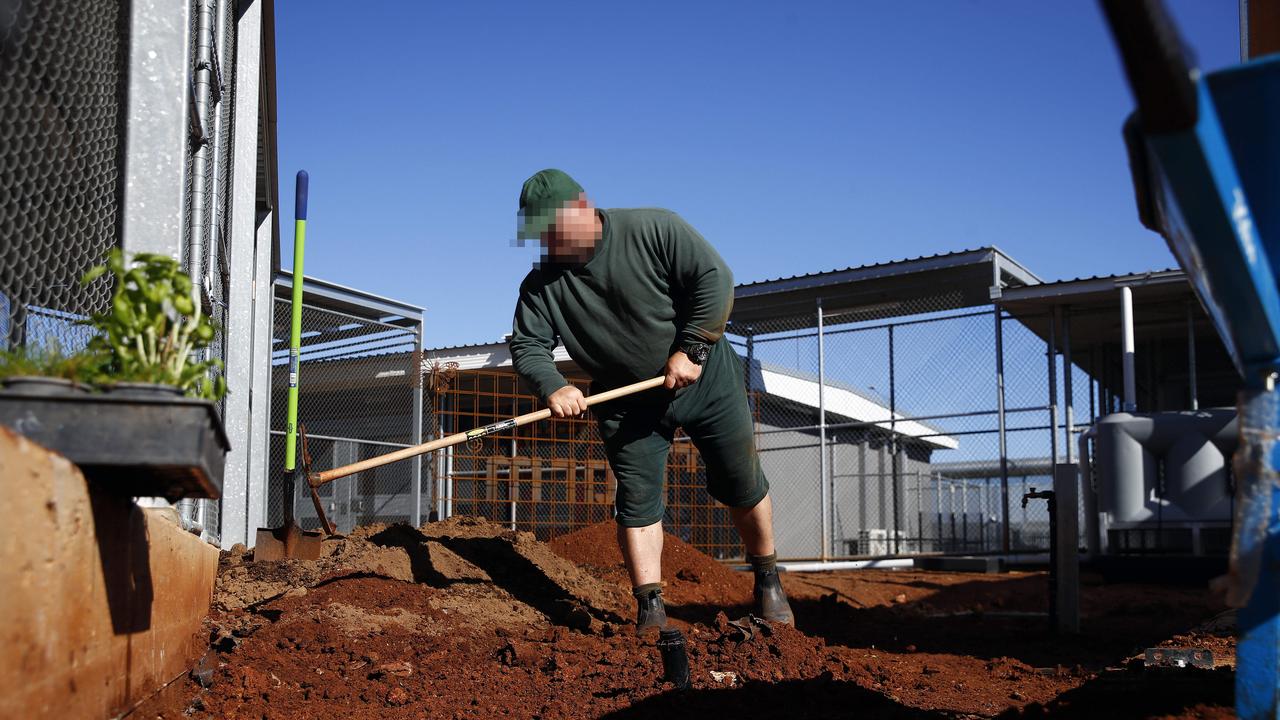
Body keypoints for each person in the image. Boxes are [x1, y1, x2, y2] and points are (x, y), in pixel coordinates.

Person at [508, 168, 794, 632]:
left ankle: (767, 579)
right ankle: (651, 608)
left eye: (555, 231)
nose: (549, 244)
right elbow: (528, 345)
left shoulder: (654, 228)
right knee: (637, 500)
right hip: (628, 402)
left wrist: (694, 346)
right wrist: (553, 384)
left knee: (739, 478)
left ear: (582, 207)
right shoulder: (540, 285)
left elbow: (714, 277)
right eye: (541, 235)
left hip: (704, 378)